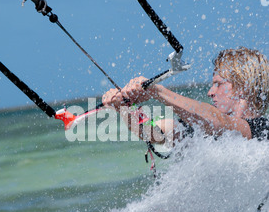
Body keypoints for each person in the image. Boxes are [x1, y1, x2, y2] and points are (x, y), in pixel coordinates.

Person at [102, 47, 269, 144]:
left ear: (243, 87)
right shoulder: (200, 128)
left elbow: (218, 122)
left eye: (219, 84)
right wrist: (124, 108)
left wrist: (157, 91)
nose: (210, 92)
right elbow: (152, 133)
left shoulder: (263, 129)